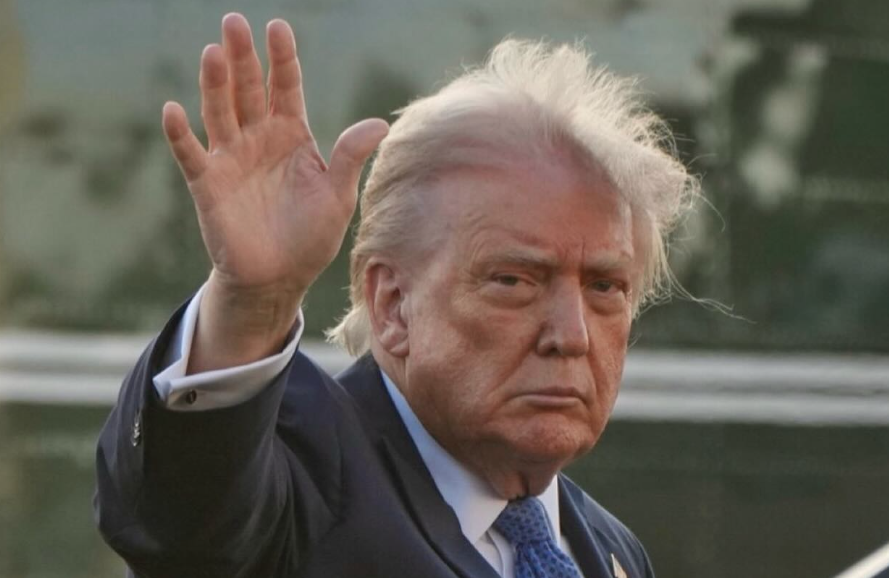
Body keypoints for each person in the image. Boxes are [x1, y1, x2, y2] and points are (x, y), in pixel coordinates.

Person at [95, 12, 696, 578]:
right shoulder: (299, 471)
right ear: (392, 305)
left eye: (604, 287)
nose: (571, 335)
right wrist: (252, 304)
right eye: (514, 281)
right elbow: (186, 519)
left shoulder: (611, 549)